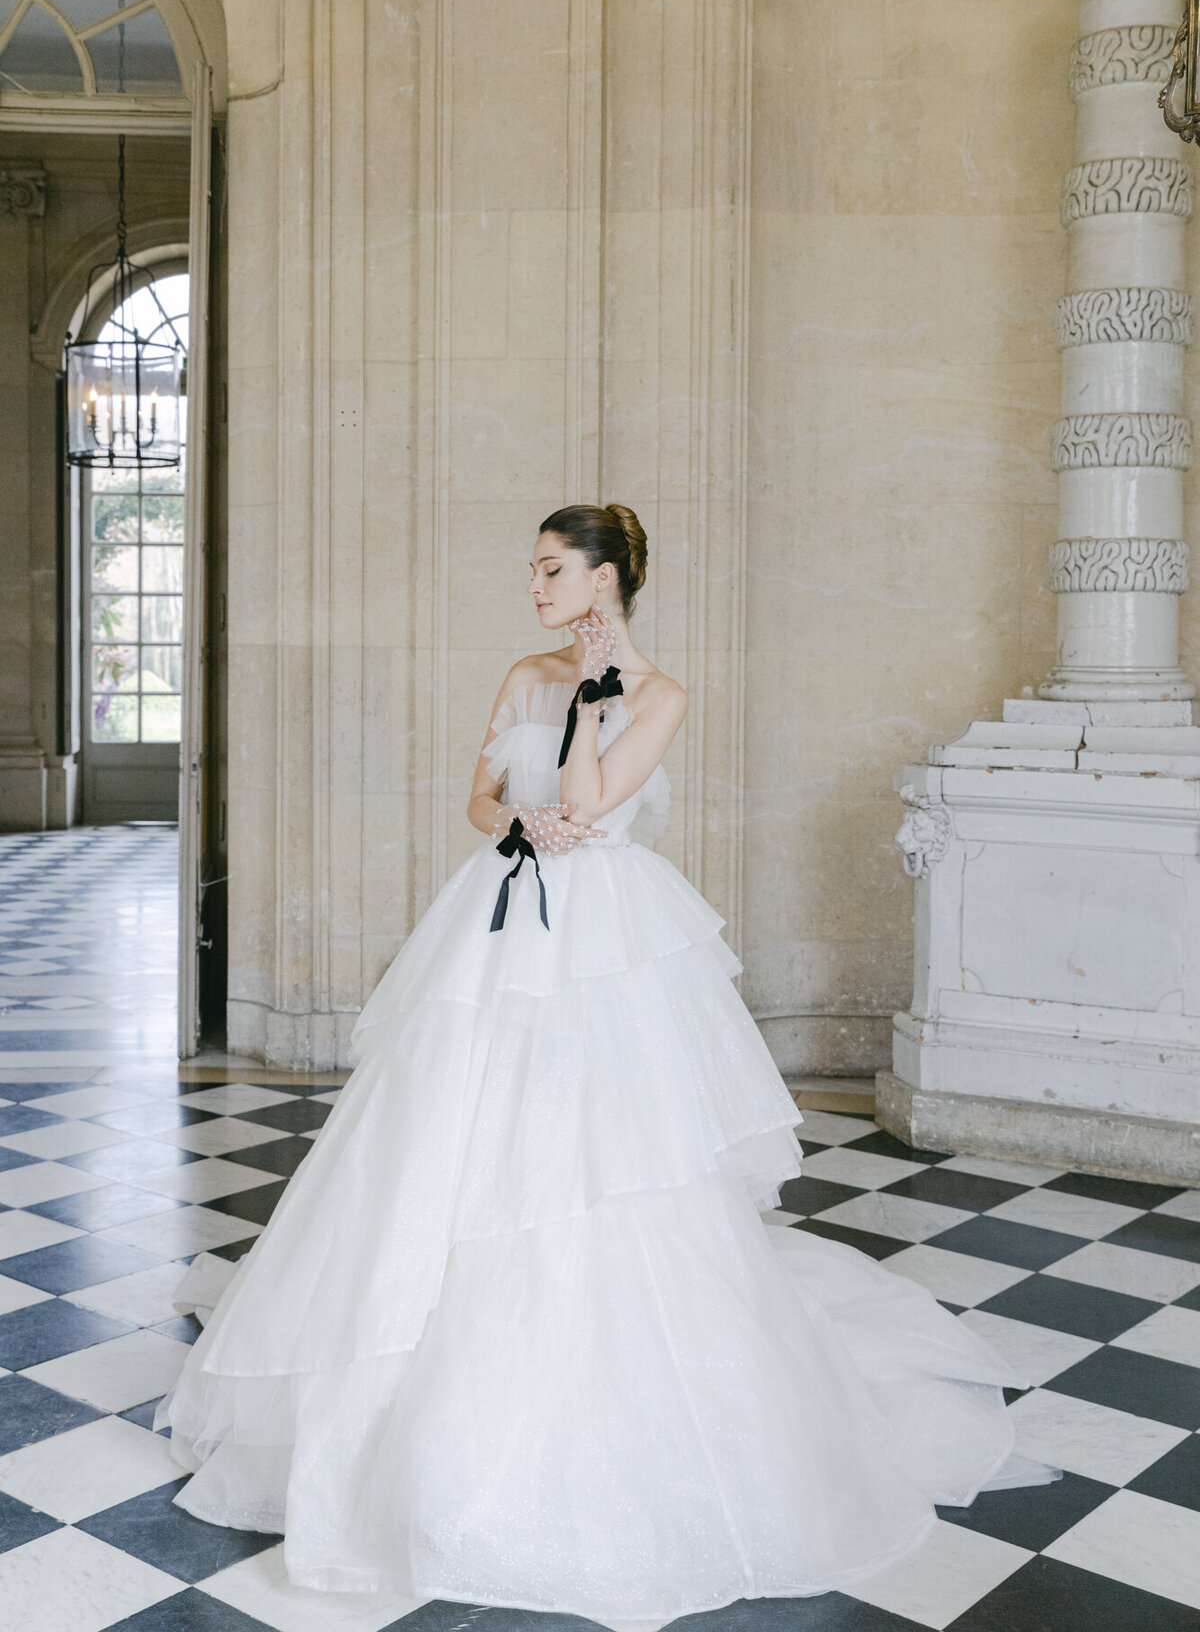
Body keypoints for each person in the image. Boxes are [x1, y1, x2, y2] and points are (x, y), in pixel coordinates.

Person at [156, 502, 1052, 1627]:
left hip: (607, 939)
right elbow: (480, 799)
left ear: (605, 578)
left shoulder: (661, 694)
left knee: (600, 1154)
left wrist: (590, 705)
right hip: (501, 917)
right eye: (532, 570)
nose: (533, 587)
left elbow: (589, 801)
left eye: (550, 570)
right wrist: (512, 821)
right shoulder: (522, 669)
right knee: (456, 1138)